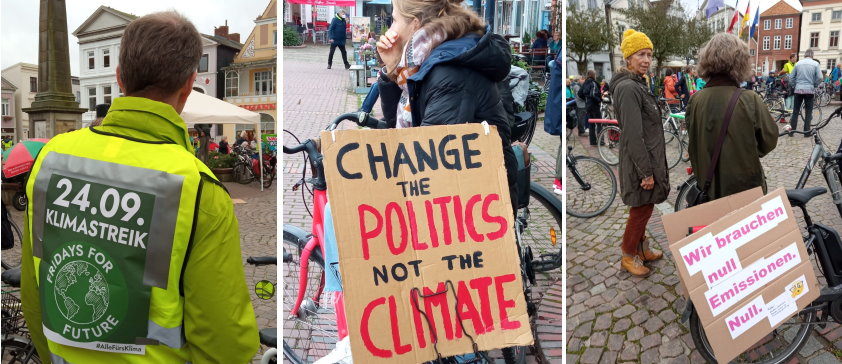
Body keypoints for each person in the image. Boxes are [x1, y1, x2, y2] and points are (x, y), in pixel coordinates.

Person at [20, 11, 259, 363]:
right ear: (189, 84)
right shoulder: (196, 188)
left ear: (119, 78)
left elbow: (33, 293)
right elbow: (224, 340)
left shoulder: (51, 159)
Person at [686, 32, 778, 201]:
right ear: (741, 63)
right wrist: (745, 150)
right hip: (744, 190)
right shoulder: (749, 99)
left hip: (709, 189)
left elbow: (693, 144)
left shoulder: (695, 100)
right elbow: (769, 139)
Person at [610, 29, 668, 278]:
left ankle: (642, 249)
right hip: (639, 162)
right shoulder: (628, 88)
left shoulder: (638, 84)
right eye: (640, 54)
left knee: (646, 206)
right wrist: (645, 171)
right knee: (640, 210)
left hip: (648, 158)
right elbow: (633, 135)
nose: (646, 60)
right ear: (628, 58)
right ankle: (627, 254)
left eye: (649, 55)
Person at [789, 49, 823, 135]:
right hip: (809, 90)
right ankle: (806, 132)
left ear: (805, 55)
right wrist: (814, 85)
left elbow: (791, 77)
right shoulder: (816, 64)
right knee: (808, 111)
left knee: (795, 111)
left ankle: (792, 131)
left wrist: (795, 85)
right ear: (812, 55)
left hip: (798, 89)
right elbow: (820, 77)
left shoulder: (798, 64)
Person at [579, 70, 602, 145]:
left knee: (591, 124)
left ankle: (592, 142)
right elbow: (593, 94)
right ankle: (601, 141)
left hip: (588, 106)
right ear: (593, 75)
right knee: (599, 123)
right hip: (594, 105)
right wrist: (598, 101)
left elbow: (580, 93)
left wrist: (586, 100)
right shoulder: (593, 83)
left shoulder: (585, 83)